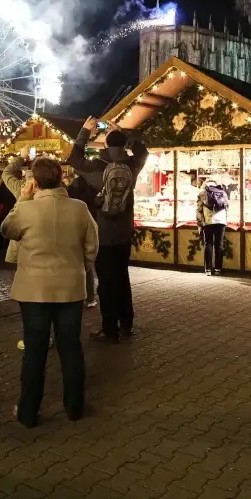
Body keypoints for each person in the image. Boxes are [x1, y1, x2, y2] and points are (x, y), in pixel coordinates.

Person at [1, 157, 97, 428]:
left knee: (34, 350)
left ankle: (29, 410)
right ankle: (74, 406)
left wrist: (22, 199)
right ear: (61, 178)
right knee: (71, 348)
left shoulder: (26, 210)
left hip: (33, 290)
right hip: (70, 288)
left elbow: (6, 229)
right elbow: (92, 245)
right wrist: (79, 267)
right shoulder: (80, 208)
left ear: (35, 181)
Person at [69, 117, 148, 343]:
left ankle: (109, 328)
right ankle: (127, 323)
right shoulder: (132, 165)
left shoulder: (97, 166)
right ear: (123, 145)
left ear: (105, 145)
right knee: (122, 277)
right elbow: (143, 151)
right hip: (124, 233)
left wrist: (84, 131)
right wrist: (123, 133)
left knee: (106, 281)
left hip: (102, 234)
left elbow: (73, 157)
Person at [66, 173, 99, 307]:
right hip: (89, 223)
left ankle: (74, 296)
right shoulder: (93, 188)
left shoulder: (72, 189)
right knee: (87, 266)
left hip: (73, 227)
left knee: (73, 261)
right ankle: (90, 297)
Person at [196, 176, 229, 276]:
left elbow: (198, 210)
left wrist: (200, 224)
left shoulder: (202, 193)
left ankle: (208, 270)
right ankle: (218, 269)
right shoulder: (222, 192)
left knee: (208, 244)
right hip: (221, 221)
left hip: (209, 221)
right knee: (219, 245)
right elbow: (227, 207)